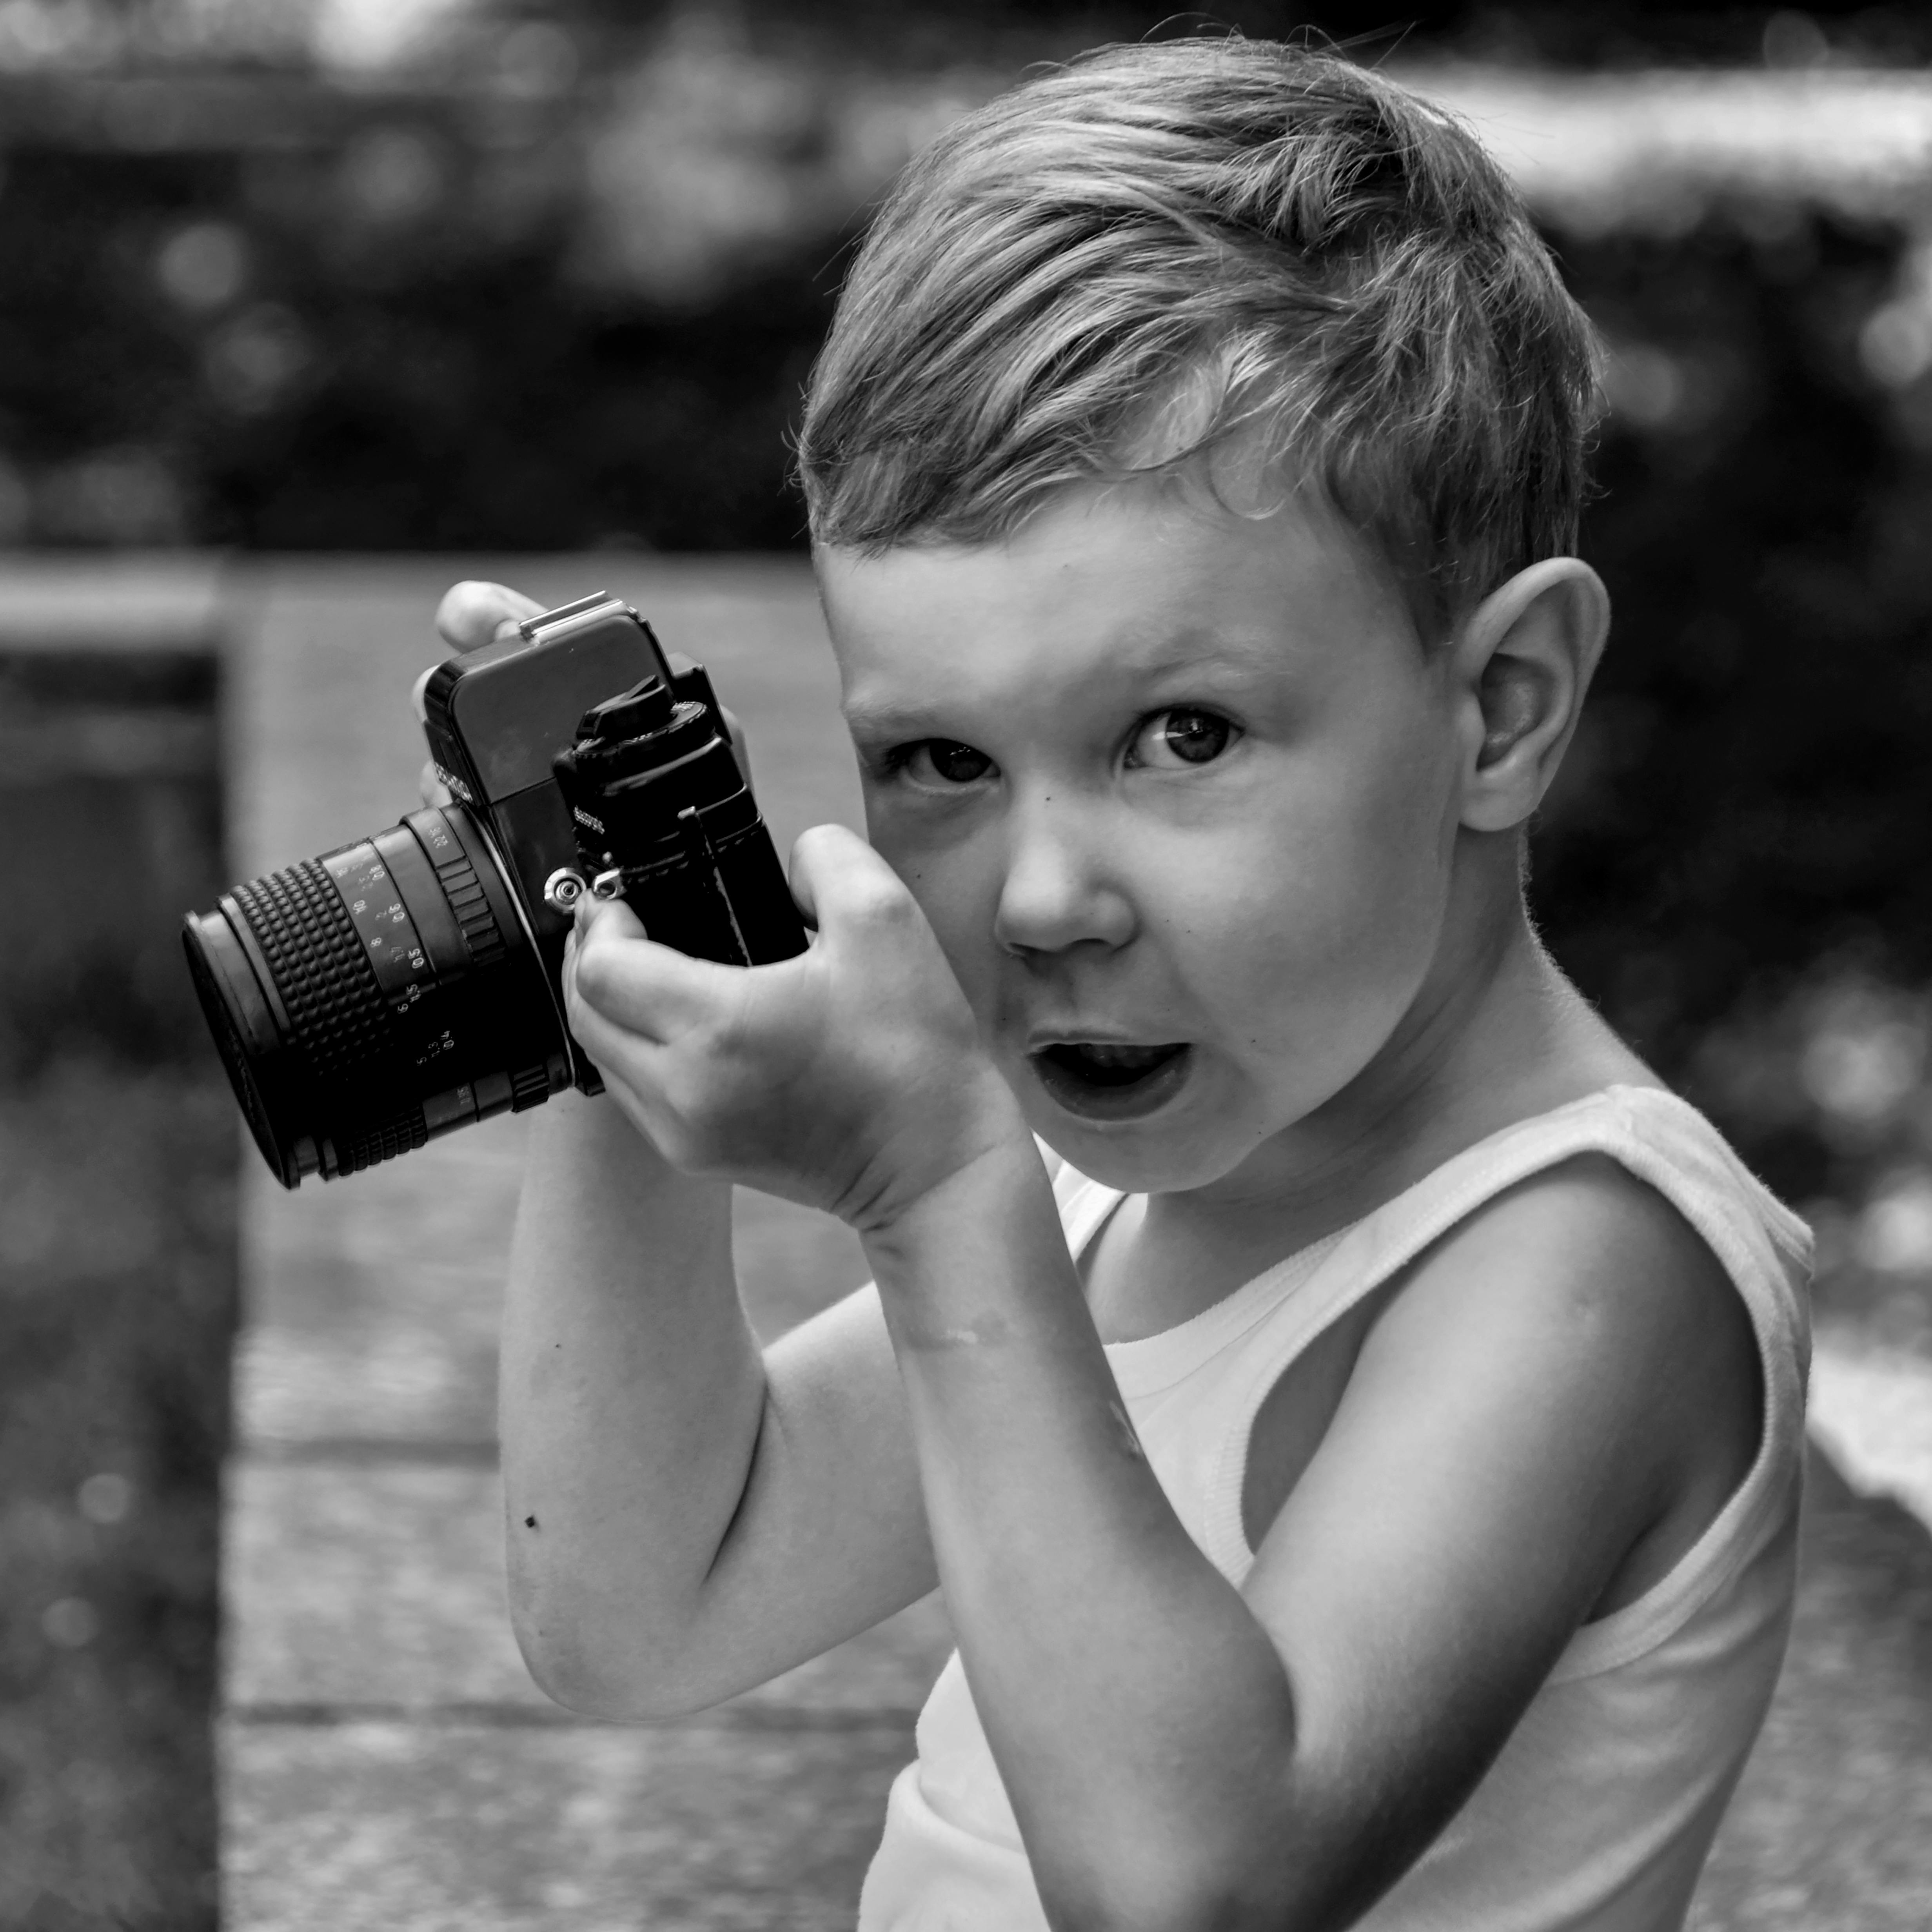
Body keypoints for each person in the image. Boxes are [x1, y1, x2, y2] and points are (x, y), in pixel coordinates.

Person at [452, 39, 1811, 1932]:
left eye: (1179, 733)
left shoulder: (1582, 1261)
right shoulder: (1126, 1203)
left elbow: (1198, 1880)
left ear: (1498, 708)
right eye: (938, 759)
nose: (1038, 895)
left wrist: (935, 1199)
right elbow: (639, 1605)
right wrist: (612, 970)